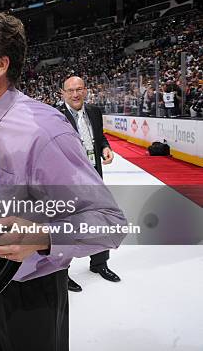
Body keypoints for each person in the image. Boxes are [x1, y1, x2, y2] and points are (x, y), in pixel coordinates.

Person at [0, 11, 127, 351]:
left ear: (0, 65)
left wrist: (40, 235)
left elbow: (109, 223)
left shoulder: (46, 131)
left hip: (29, 291)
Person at [59, 76, 121, 292]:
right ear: (63, 93)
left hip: (94, 175)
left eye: (79, 89)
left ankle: (99, 263)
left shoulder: (94, 111)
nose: (75, 94)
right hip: (68, 180)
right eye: (70, 90)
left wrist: (105, 147)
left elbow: (99, 136)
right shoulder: (55, 116)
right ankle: (61, 273)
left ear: (86, 90)